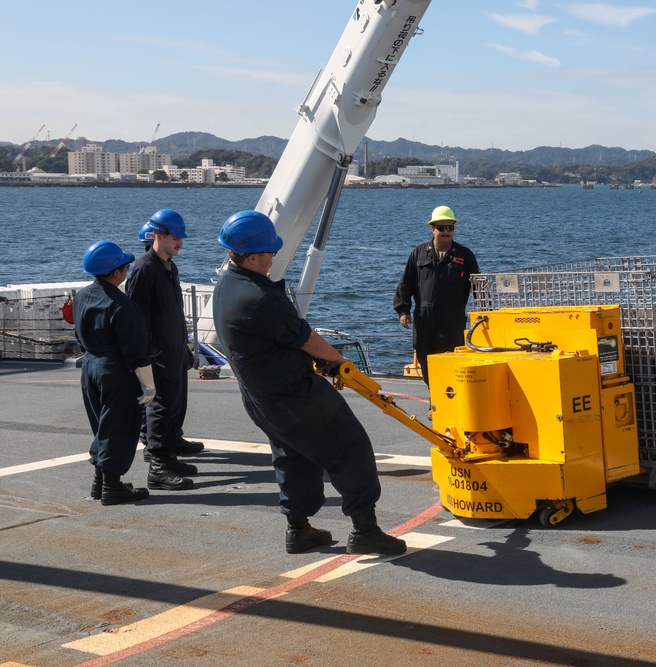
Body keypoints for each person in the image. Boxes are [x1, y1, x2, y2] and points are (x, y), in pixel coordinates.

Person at [212, 210, 406, 556]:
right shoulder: (260, 297)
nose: (274, 256)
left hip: (260, 397)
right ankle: (366, 530)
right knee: (350, 445)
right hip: (293, 393)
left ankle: (298, 530)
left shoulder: (227, 286)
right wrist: (338, 360)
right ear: (254, 256)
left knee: (294, 454)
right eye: (270, 251)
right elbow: (305, 338)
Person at [75, 241, 155, 505]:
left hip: (89, 366)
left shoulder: (82, 296)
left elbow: (78, 335)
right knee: (119, 428)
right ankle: (112, 487)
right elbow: (136, 352)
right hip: (115, 371)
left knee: (102, 426)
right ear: (117, 272)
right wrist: (149, 386)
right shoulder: (122, 305)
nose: (127, 271)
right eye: (125, 267)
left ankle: (100, 483)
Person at [126, 209, 197, 491]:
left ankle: (169, 454)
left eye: (181, 238)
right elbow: (136, 316)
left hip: (174, 347)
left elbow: (173, 312)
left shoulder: (169, 266)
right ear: (159, 236)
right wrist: (147, 354)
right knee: (159, 407)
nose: (180, 243)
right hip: (157, 353)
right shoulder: (144, 269)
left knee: (175, 403)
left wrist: (184, 345)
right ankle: (157, 466)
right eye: (176, 238)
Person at [393, 205, 480, 385]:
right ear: (432, 229)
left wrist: (482, 314)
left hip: (452, 322)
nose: (446, 232)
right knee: (427, 366)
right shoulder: (418, 253)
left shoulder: (465, 255)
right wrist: (403, 310)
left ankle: (444, 404)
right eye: (441, 227)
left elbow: (479, 287)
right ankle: (435, 402)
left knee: (449, 365)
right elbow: (405, 282)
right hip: (424, 321)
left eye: (450, 227)